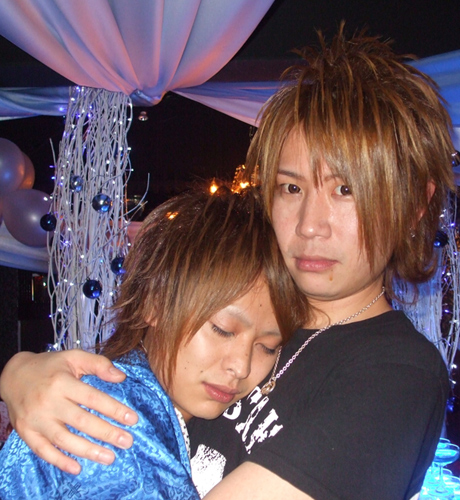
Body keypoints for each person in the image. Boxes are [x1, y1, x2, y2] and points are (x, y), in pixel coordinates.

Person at [0, 24, 455, 499]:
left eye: (346, 190)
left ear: (413, 205)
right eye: (291, 188)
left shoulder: (396, 373)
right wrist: (23, 375)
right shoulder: (246, 300)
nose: (309, 226)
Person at [0, 185, 308, 499]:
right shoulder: (118, 427)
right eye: (222, 330)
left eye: (268, 347)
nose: (241, 367)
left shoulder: (156, 405)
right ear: (154, 303)